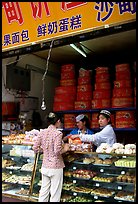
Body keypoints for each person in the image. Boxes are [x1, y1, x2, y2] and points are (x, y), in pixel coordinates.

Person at [32, 112, 70, 202]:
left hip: (45, 166)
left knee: (44, 191)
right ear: (58, 121)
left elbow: (35, 148)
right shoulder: (58, 133)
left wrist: (45, 150)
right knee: (55, 193)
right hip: (56, 167)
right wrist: (66, 148)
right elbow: (57, 151)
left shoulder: (42, 132)